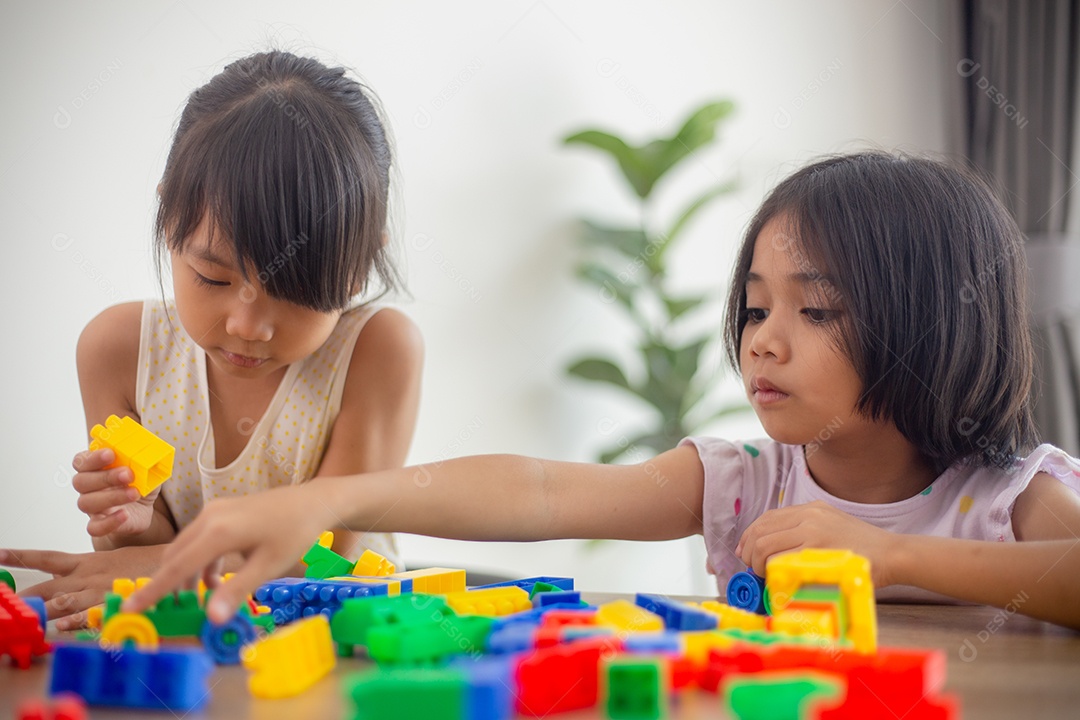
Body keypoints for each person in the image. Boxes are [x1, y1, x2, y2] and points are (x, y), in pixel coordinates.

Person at [122, 152, 1080, 631]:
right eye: (752, 309)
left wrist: (881, 554)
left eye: (816, 312)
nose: (765, 342)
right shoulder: (745, 480)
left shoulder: (1008, 496)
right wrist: (328, 499)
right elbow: (541, 491)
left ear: (933, 322)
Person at [0, 51, 423, 630]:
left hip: (341, 643)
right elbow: (135, 557)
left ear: (358, 266)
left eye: (294, 290)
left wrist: (152, 561)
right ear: (167, 217)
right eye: (213, 278)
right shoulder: (119, 351)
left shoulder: (377, 351)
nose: (248, 326)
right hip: (195, 640)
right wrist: (131, 524)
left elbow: (322, 556)